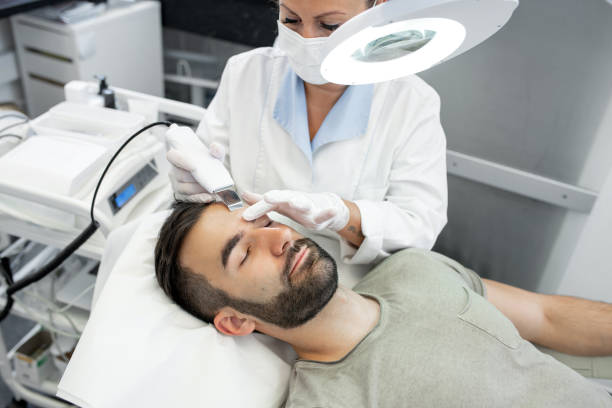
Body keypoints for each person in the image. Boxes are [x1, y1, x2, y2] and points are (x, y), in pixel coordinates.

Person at [154, 202, 612, 407]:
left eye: (265, 223)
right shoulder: (327, 402)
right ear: (235, 320)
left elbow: (548, 318)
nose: (279, 237)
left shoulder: (415, 269)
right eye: (244, 252)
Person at [165, 0, 448, 275]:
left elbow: (419, 227)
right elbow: (207, 187)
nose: (307, 39)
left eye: (330, 25)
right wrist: (193, 186)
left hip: (355, 284)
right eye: (291, 20)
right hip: (259, 279)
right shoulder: (246, 74)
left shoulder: (411, 102)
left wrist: (342, 215)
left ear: (377, 8)